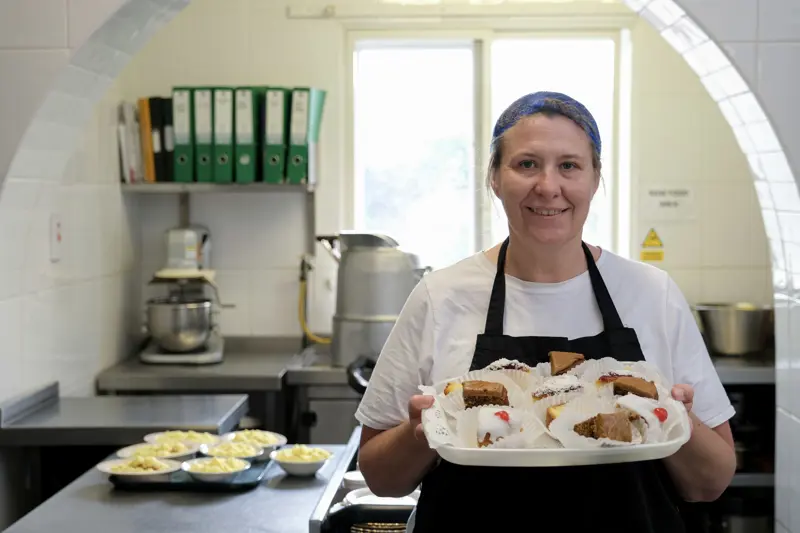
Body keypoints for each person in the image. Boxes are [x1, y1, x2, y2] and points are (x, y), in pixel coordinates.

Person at [354, 91, 736, 532]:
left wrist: (675, 417)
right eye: (527, 164)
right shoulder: (440, 296)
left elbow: (710, 483)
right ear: (494, 178)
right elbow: (381, 479)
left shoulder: (652, 293)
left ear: (595, 178)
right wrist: (421, 432)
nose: (548, 186)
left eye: (569, 165)